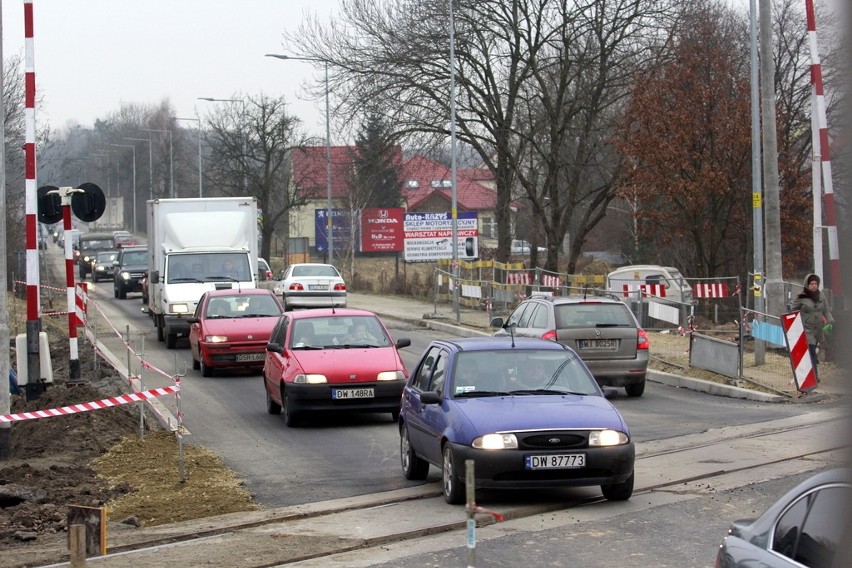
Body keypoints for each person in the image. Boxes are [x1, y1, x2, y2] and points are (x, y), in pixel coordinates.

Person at [791, 273, 834, 383]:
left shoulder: (821, 296)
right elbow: (792, 310)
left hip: (818, 328)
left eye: (815, 284)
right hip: (806, 328)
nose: (814, 286)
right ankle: (814, 376)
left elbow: (826, 310)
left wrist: (830, 320)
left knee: (813, 351)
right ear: (807, 285)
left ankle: (808, 372)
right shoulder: (801, 297)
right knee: (811, 351)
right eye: (811, 284)